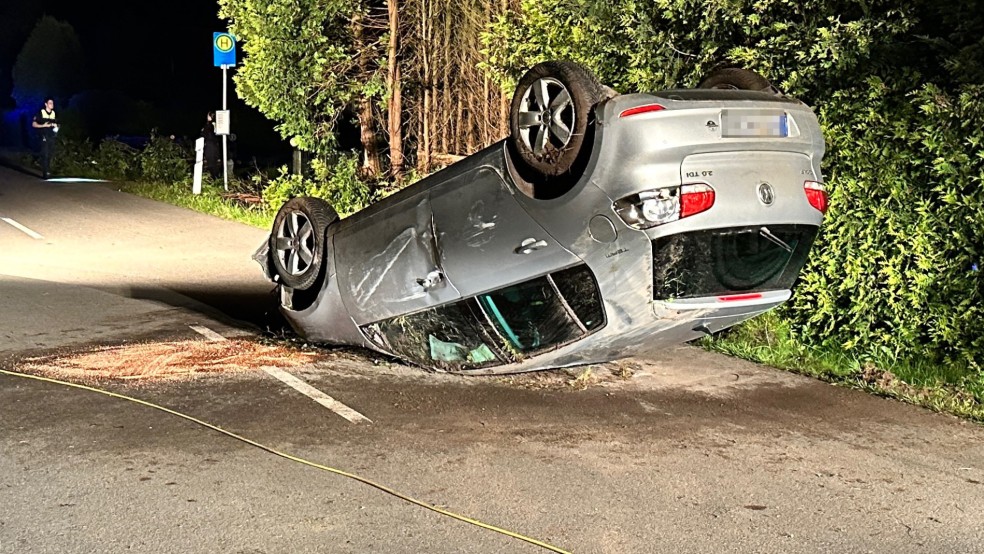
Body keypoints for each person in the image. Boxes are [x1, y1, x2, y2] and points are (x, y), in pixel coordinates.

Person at [31, 97, 59, 179]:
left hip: (51, 136)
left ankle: (48, 170)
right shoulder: (41, 112)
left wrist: (56, 127)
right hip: (43, 135)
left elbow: (57, 123)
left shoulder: (54, 113)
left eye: (52, 103)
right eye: (50, 103)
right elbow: (33, 124)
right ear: (46, 104)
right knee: (45, 154)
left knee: (50, 154)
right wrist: (44, 125)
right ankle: (45, 173)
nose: (52, 105)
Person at [201, 111, 222, 178]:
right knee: (215, 163)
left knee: (211, 164)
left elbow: (204, 134)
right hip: (215, 146)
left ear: (210, 117)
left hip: (210, 146)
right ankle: (217, 177)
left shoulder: (209, 125)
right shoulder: (216, 124)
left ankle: (215, 177)